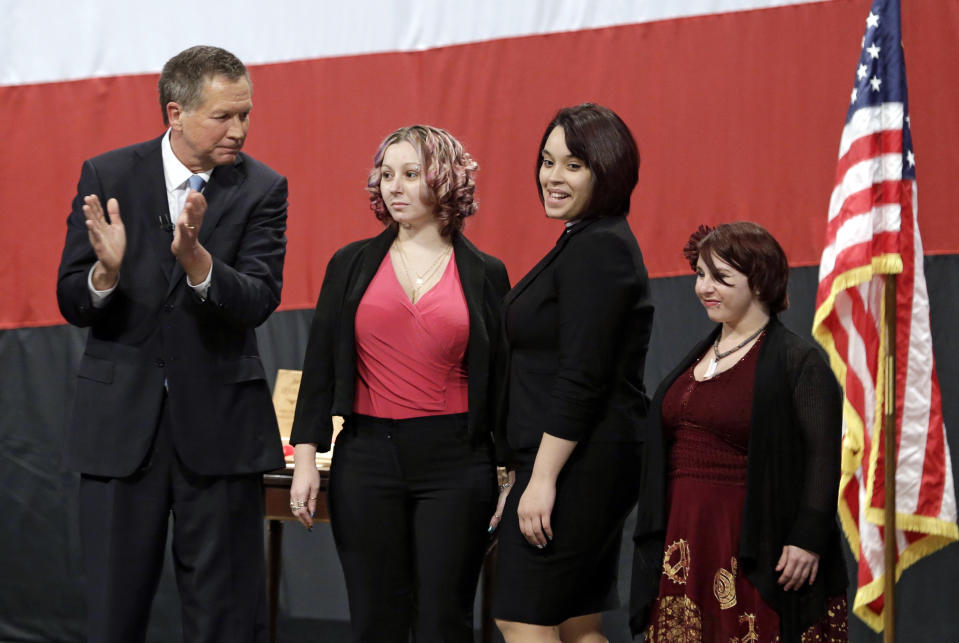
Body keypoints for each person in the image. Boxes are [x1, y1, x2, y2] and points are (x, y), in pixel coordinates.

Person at [55, 46, 288, 642]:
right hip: (119, 429)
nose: (238, 129)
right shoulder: (107, 175)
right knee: (114, 614)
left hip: (219, 433)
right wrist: (103, 276)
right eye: (223, 116)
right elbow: (72, 298)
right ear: (175, 112)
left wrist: (199, 263)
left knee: (227, 618)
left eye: (245, 114)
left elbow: (260, 298)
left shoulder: (263, 187)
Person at [288, 124, 510, 642]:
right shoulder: (349, 264)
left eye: (411, 174)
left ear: (445, 180)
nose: (394, 186)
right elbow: (318, 367)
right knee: (375, 621)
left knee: (442, 622)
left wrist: (511, 472)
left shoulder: (485, 273)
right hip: (366, 457)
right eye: (387, 174)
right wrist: (304, 458)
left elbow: (504, 383)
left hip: (457, 462)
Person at [630, 222, 848, 642]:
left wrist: (807, 537)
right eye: (701, 275)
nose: (703, 288)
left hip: (750, 543)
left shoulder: (799, 361)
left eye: (721, 278)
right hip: (687, 538)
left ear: (760, 283)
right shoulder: (704, 352)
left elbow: (823, 456)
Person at [492, 103, 654, 642]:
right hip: (585, 463)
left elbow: (582, 377)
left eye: (573, 165)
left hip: (577, 467)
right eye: (546, 161)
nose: (551, 177)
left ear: (605, 170)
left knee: (522, 618)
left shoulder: (599, 250)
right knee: (576, 622)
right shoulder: (588, 240)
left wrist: (540, 479)